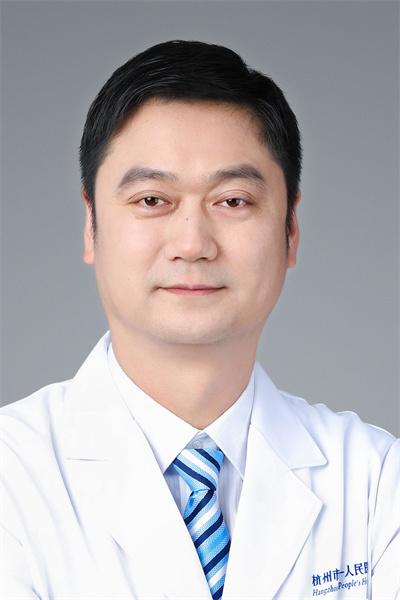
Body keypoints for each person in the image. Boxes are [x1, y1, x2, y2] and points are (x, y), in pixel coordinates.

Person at [1, 40, 398, 600]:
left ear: (290, 231)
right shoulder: (11, 475)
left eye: (232, 201)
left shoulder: (376, 481)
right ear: (91, 227)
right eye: (151, 200)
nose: (192, 244)